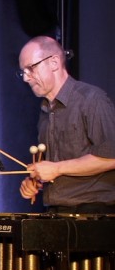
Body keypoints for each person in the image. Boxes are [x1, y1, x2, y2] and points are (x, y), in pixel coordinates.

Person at [18, 36, 115, 213]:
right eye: (23, 72)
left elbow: (111, 157)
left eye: (30, 68)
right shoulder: (45, 110)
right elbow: (55, 169)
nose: (26, 78)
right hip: (56, 211)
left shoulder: (91, 99)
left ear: (54, 62)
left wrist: (57, 169)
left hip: (93, 213)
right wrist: (36, 180)